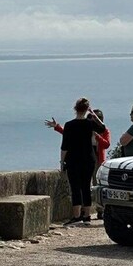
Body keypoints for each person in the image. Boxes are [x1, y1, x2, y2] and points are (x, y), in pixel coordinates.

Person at [46, 108, 110, 219]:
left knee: (97, 186)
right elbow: (69, 133)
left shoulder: (104, 131)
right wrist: (56, 126)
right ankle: (84, 212)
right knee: (85, 186)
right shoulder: (85, 127)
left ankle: (100, 210)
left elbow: (106, 144)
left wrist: (97, 136)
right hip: (85, 158)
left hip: (97, 159)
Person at [57, 97, 105, 226]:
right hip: (89, 159)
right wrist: (93, 114)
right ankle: (87, 216)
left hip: (73, 159)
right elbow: (102, 127)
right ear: (86, 109)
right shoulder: (90, 124)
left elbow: (64, 146)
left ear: (75, 109)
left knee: (75, 187)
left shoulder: (69, 125)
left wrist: (62, 162)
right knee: (86, 187)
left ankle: (77, 216)